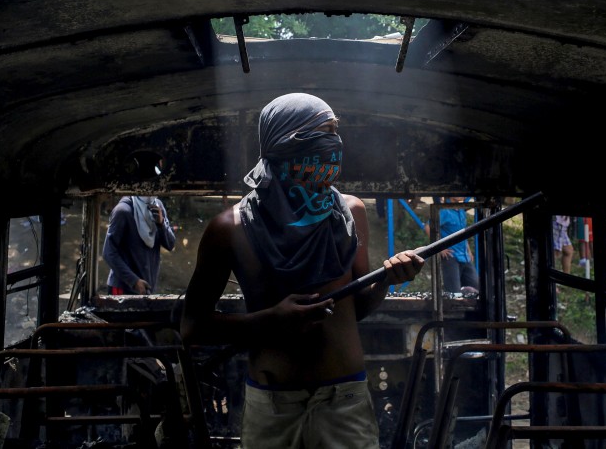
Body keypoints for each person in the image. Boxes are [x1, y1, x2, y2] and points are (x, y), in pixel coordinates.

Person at [179, 92, 424, 449]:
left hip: (345, 404)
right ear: (283, 142)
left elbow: (355, 310)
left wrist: (388, 280)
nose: (334, 143)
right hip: (273, 408)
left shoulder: (350, 213)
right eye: (322, 133)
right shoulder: (229, 228)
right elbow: (192, 327)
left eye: (335, 132)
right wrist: (271, 320)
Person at [103, 195, 177, 294]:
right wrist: (134, 281)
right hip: (124, 288)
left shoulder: (158, 206)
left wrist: (161, 224)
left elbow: (170, 244)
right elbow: (108, 253)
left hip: (147, 288)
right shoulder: (123, 211)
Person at [435, 197, 480, 293]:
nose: (462, 195)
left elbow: (463, 232)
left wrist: (468, 250)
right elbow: (428, 227)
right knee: (454, 292)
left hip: (464, 256)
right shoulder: (444, 211)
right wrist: (439, 248)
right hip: (451, 256)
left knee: (477, 288)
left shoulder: (461, 211)